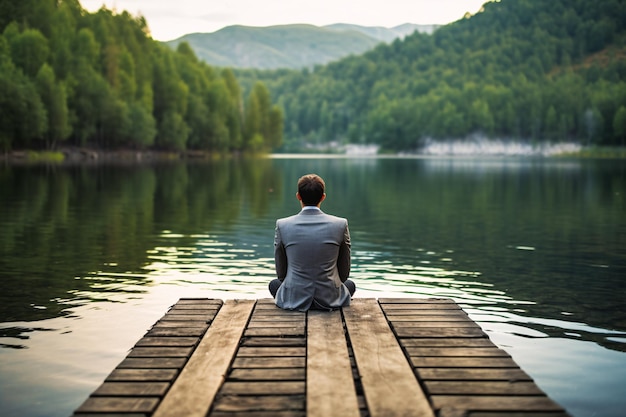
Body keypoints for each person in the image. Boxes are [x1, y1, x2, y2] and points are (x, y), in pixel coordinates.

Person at [269, 174, 356, 311]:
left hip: (295, 297)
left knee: (274, 284)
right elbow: (344, 274)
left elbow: (281, 274)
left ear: (298, 196)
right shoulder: (340, 224)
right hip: (330, 298)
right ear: (323, 197)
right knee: (350, 284)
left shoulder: (283, 225)